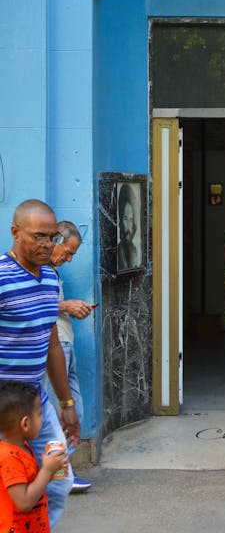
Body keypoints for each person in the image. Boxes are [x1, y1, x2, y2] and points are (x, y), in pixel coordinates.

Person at [0, 199, 80, 529]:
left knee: (58, 479)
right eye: (39, 237)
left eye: (52, 237)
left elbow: (51, 346)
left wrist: (66, 403)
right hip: (4, 406)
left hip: (38, 405)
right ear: (15, 232)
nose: (48, 245)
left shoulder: (49, 278)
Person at [42, 220, 93, 493]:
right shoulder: (34, 269)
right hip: (55, 349)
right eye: (68, 252)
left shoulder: (51, 272)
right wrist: (66, 305)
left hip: (64, 346)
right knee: (59, 412)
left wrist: (70, 308)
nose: (69, 259)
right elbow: (29, 304)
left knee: (75, 412)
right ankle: (57, 475)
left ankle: (61, 472)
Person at [0, 381, 68, 532]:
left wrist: (51, 471)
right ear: (25, 423)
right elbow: (24, 502)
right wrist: (46, 472)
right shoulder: (8, 458)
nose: (42, 420)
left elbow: (31, 485)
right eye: (39, 414)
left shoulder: (23, 448)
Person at [117, 183, 140, 271]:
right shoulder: (118, 252)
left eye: (131, 220)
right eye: (125, 218)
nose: (128, 226)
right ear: (120, 220)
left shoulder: (135, 252)